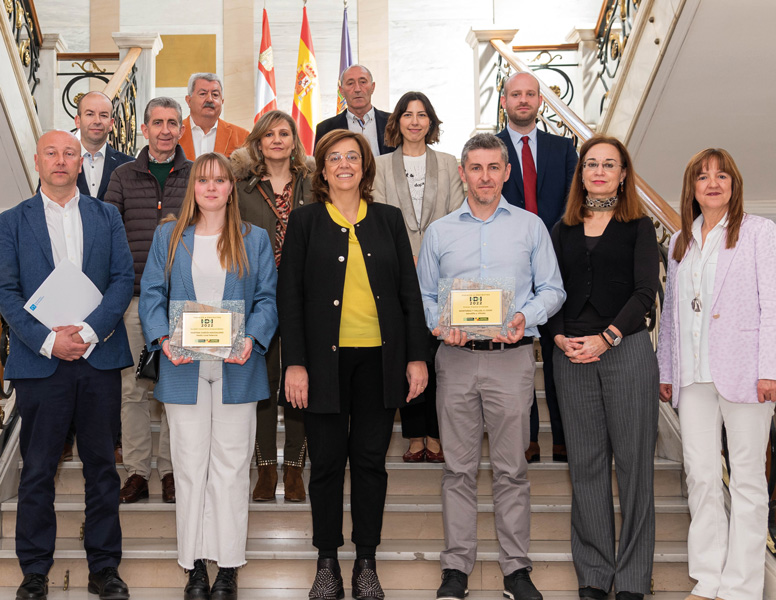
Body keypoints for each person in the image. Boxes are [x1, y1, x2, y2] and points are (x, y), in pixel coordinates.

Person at [277, 129, 427, 600]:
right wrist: (294, 364)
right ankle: (327, 564)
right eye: (335, 158)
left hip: (381, 362)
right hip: (321, 365)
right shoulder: (303, 222)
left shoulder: (388, 219)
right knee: (324, 464)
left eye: (353, 157)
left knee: (368, 463)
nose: (345, 164)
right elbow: (291, 299)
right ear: (321, 170)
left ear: (365, 167)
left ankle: (366, 562)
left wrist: (417, 357)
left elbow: (409, 293)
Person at [417, 133, 565, 600]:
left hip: (511, 360)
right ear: (463, 173)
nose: (484, 176)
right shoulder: (440, 232)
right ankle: (456, 569)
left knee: (511, 470)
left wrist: (526, 317)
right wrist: (441, 325)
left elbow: (553, 289)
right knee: (458, 471)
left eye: (493, 167)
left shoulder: (531, 226)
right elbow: (422, 295)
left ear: (506, 172)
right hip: (456, 361)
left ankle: (516, 570)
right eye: (475, 168)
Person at [0, 130, 134, 600]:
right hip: (41, 365)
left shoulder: (108, 216)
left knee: (102, 468)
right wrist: (47, 342)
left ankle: (105, 568)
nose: (60, 160)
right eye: (51, 153)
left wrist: (89, 333)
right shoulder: (11, 221)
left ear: (82, 161)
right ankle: (34, 571)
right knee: (37, 470)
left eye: (69, 153)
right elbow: (6, 293)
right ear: (37, 161)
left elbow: (122, 280)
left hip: (98, 360)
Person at [139, 152, 278, 600]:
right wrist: (163, 340)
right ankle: (195, 564)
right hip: (184, 367)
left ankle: (229, 566)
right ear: (192, 188)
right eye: (204, 180)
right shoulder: (170, 235)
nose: (212, 187)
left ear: (230, 188)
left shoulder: (253, 238)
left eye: (220, 180)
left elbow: (267, 300)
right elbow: (151, 296)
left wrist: (251, 341)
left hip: (238, 366)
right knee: (189, 466)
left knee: (233, 469)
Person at [657, 148, 776, 600]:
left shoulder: (759, 232)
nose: (713, 183)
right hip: (693, 377)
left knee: (747, 479)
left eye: (721, 176)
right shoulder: (679, 241)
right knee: (701, 476)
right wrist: (666, 368)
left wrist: (770, 368)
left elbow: (772, 305)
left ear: (734, 184)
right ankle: (708, 578)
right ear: (692, 187)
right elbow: (671, 315)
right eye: (703, 176)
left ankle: (742, 587)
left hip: (747, 374)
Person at [548, 135, 659, 600]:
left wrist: (607, 338)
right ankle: (594, 574)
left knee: (634, 467)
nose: (598, 171)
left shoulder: (639, 226)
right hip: (571, 357)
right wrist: (558, 337)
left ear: (623, 173)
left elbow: (644, 293)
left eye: (608, 164)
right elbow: (548, 291)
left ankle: (633, 579)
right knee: (587, 468)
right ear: (581, 173)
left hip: (626, 351)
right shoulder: (561, 229)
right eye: (591, 164)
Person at [105, 97, 193, 505]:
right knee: (135, 390)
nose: (165, 130)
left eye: (172, 122)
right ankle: (138, 471)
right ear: (144, 129)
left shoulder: (196, 175)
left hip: (185, 304)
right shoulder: (123, 176)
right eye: (157, 122)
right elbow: (106, 235)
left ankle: (174, 470)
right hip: (136, 300)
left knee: (177, 388)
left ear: (180, 128)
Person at [373, 91, 464, 463]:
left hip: (443, 272)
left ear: (431, 122)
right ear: (396, 122)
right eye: (407, 114)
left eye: (422, 115)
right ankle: (414, 435)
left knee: (439, 354)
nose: (414, 121)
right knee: (407, 350)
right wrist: (402, 255)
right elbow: (376, 215)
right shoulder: (378, 166)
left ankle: (437, 433)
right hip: (395, 271)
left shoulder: (449, 163)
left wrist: (429, 254)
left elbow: (459, 215)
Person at [231, 109, 312, 502]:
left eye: (284, 133)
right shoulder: (241, 187)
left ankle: (294, 469)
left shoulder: (314, 185)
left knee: (298, 381)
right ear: (258, 143)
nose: (277, 140)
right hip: (257, 296)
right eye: (269, 135)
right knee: (261, 382)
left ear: (294, 142)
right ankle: (265, 470)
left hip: (304, 295)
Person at [496, 71, 578, 464]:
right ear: (504, 101)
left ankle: (562, 438)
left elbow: (572, 205)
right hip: (507, 269)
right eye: (516, 94)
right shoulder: (487, 149)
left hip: (555, 268)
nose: (523, 100)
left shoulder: (563, 149)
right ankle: (527, 437)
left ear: (540, 101)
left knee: (557, 355)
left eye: (530, 94)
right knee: (518, 355)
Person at [59, 90, 134, 464]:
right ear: (78, 119)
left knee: (106, 367)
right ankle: (66, 435)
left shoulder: (127, 164)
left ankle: (114, 438)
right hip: (65, 282)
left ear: (112, 122)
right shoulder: (60, 160)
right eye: (90, 113)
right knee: (66, 361)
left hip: (108, 279)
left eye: (104, 114)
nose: (97, 120)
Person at [314, 65, 393, 157]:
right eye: (350, 83)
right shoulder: (326, 129)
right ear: (341, 91)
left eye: (363, 82)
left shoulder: (393, 122)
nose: (357, 89)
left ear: (373, 87)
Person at [179, 72, 249, 160]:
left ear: (222, 101)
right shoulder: (174, 134)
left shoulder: (242, 136)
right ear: (189, 100)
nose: (209, 99)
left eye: (215, 95)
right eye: (203, 94)